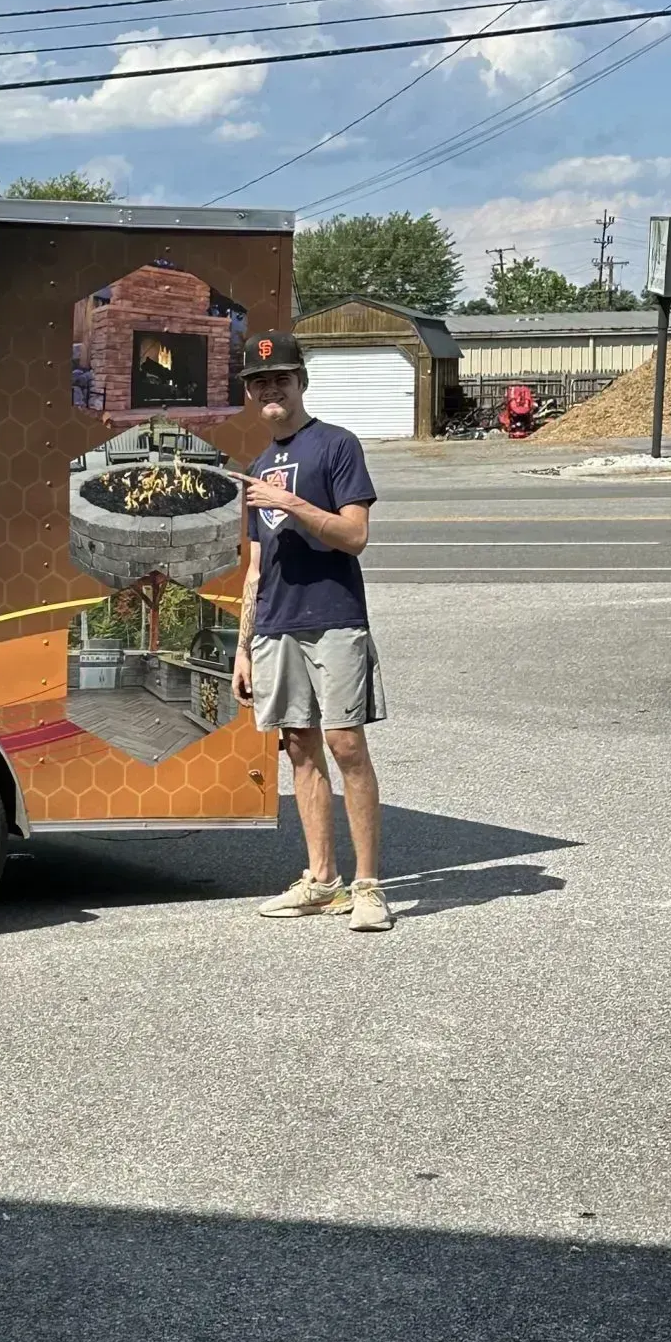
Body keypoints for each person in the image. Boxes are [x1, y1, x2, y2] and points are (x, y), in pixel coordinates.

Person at [229, 330, 392, 933]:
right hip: (274, 626)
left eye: (281, 378)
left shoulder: (337, 446)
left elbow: (354, 536)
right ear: (250, 392)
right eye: (260, 381)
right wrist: (243, 647)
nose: (271, 389)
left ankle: (369, 885)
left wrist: (290, 502)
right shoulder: (257, 467)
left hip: (334, 618)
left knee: (347, 746)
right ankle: (322, 880)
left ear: (300, 383)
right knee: (299, 748)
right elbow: (253, 566)